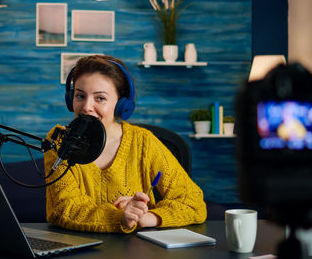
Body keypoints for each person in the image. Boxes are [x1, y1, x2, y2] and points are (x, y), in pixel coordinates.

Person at [44, 55, 206, 233]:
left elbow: (193, 203)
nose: (87, 107)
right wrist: (120, 217)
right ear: (70, 99)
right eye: (80, 96)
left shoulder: (143, 142)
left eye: (100, 98)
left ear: (122, 104)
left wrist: (147, 217)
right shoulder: (60, 140)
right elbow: (63, 209)